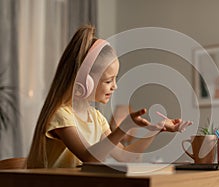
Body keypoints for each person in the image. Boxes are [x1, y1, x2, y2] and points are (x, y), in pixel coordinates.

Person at [26, 24, 192, 168]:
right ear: (85, 81)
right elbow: (89, 158)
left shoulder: (97, 119)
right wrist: (123, 128)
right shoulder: (62, 116)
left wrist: (156, 129)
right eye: (108, 81)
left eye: (115, 79)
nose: (115, 86)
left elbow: (127, 157)